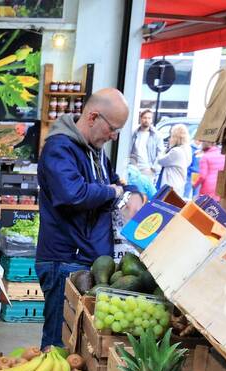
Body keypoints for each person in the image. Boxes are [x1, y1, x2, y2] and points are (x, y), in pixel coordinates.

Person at [35, 88, 129, 349]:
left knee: (78, 344)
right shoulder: (60, 148)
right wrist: (112, 191)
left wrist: (127, 192)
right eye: (112, 128)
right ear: (92, 116)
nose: (113, 136)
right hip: (65, 260)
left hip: (87, 259)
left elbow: (113, 183)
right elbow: (72, 195)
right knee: (58, 343)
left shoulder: (96, 152)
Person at [155, 124, 192, 196]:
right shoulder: (187, 149)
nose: (170, 138)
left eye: (171, 136)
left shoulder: (176, 151)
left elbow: (161, 160)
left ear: (175, 137)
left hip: (171, 183)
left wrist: (164, 150)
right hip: (179, 183)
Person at [128, 109, 163, 185]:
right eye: (144, 117)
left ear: (152, 120)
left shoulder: (156, 135)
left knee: (146, 192)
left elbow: (160, 153)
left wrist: (154, 168)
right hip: (134, 168)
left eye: (149, 118)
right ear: (140, 118)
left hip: (148, 169)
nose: (146, 120)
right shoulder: (134, 133)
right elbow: (129, 149)